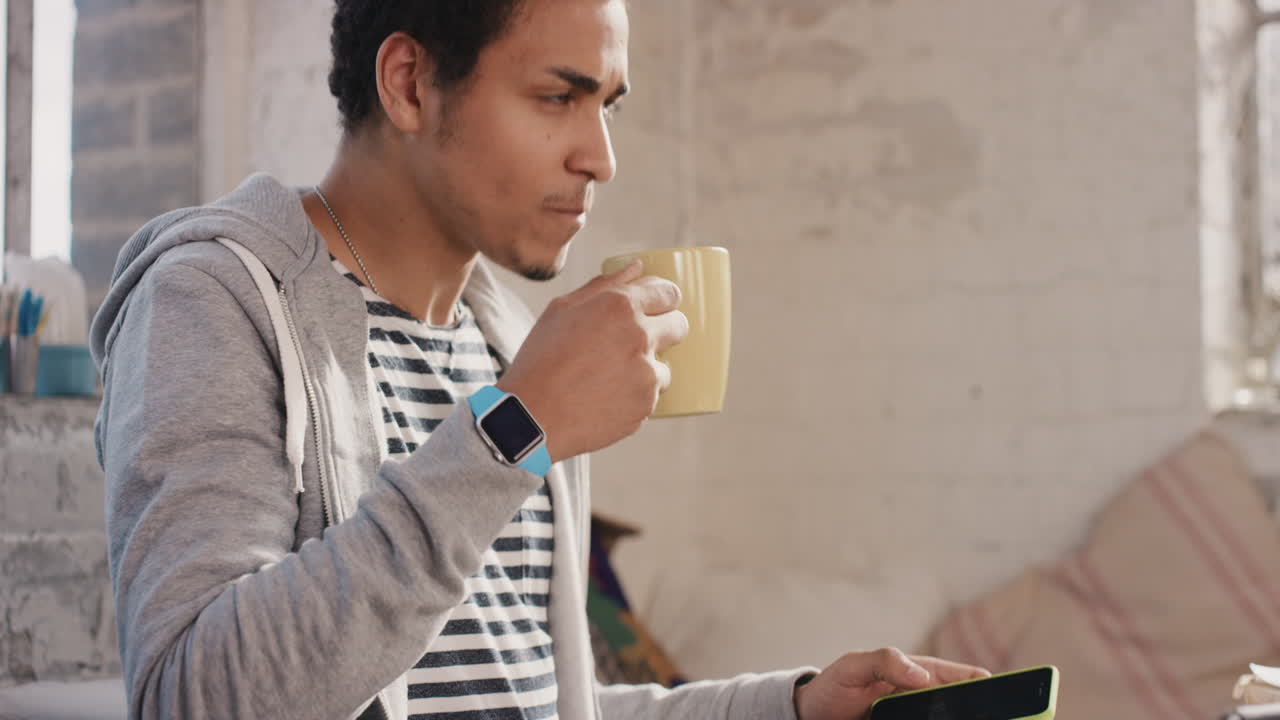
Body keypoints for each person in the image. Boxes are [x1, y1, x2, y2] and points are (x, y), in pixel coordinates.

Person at [90, 1, 989, 718]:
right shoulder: (212, 302)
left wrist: (790, 706)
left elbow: (529, 699)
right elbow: (191, 696)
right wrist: (515, 428)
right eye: (559, 96)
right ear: (409, 84)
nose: (599, 157)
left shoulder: (505, 341)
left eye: (609, 105)